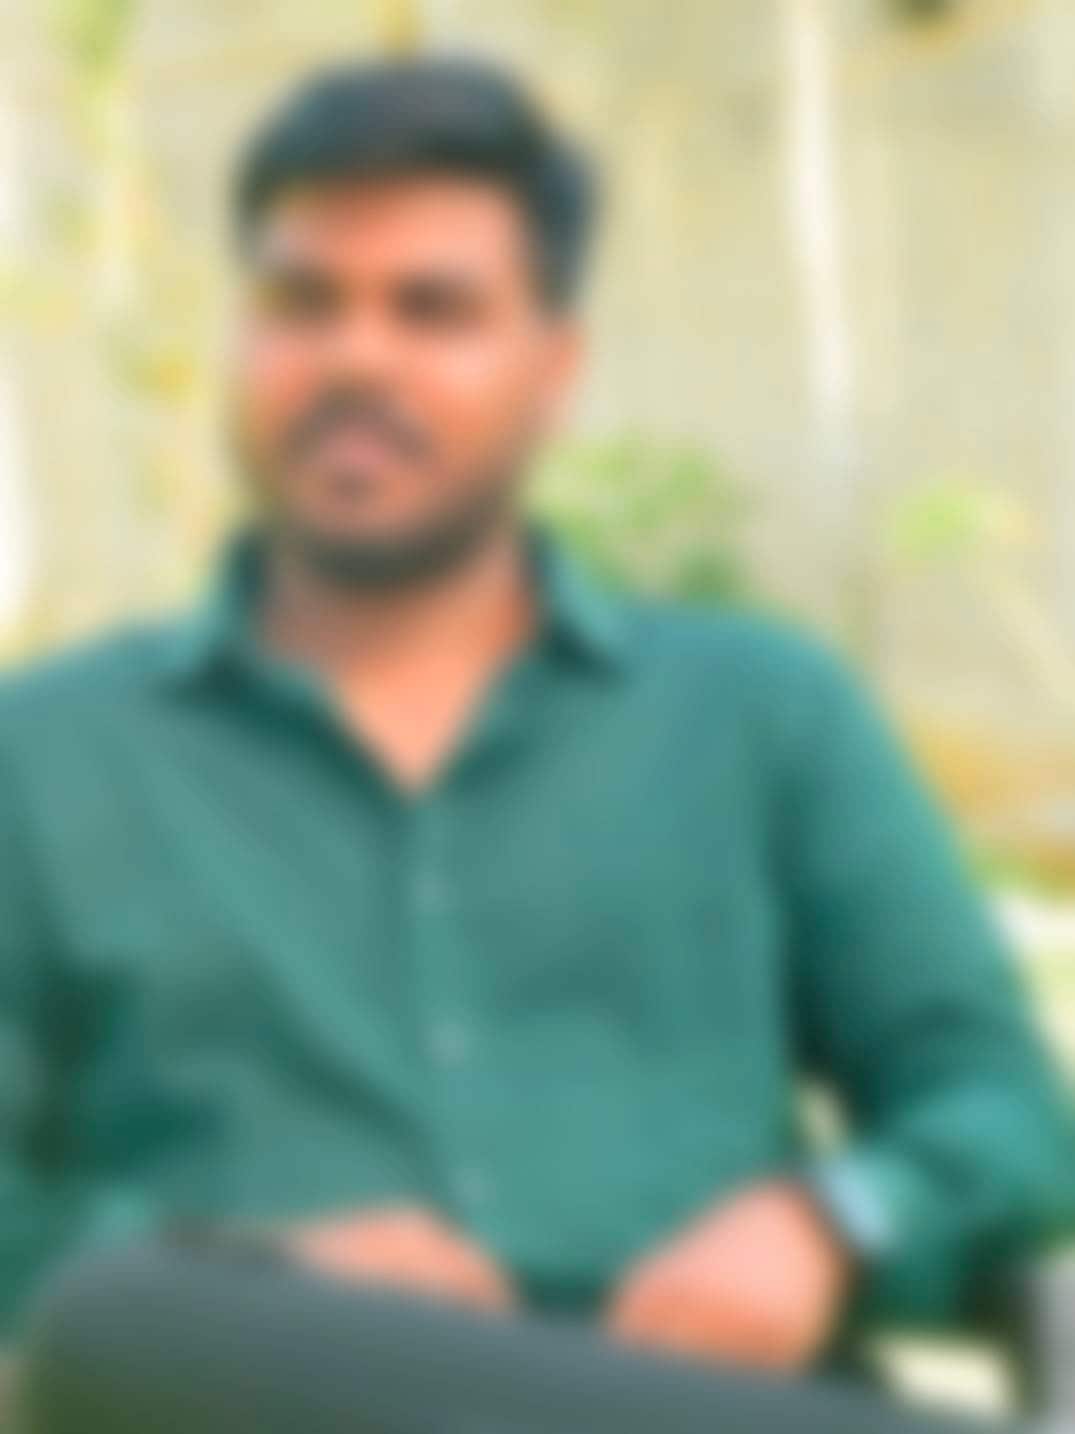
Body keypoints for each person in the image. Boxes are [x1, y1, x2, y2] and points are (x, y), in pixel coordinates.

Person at [1, 55, 1071, 1393]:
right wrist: (255, 1274)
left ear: (553, 371)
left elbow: (1005, 1114)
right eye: (301, 302)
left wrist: (826, 1220)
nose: (356, 357)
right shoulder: (45, 758)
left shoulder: (759, 713)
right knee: (131, 1313)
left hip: (692, 1404)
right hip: (267, 1403)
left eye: (434, 311)